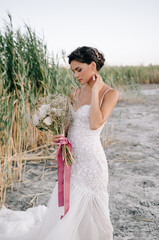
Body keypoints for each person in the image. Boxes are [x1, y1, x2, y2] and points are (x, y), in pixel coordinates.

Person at [0, 46, 119, 240]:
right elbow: (69, 126)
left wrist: (96, 90)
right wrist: (59, 135)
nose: (75, 75)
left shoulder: (109, 94)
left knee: (93, 206)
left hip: (92, 160)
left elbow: (94, 123)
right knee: (68, 203)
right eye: (73, 71)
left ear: (92, 66)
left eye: (79, 69)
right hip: (72, 159)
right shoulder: (75, 93)